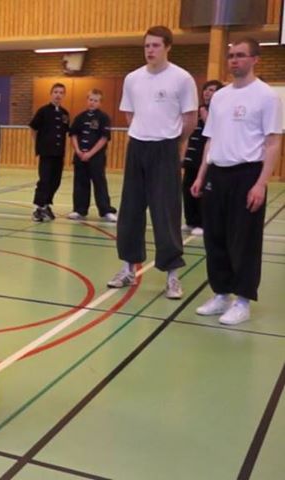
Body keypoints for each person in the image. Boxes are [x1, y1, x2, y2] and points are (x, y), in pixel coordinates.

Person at [190, 38, 282, 325]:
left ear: (255, 59)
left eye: (240, 55)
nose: (233, 60)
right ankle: (221, 294)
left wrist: (261, 183)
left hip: (247, 175)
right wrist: (201, 174)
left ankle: (242, 300)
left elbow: (273, 142)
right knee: (214, 237)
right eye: (231, 55)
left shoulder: (267, 96)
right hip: (217, 174)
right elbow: (211, 139)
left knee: (243, 240)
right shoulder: (220, 96)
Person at [107, 25, 198, 300]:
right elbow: (129, 115)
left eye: (156, 45)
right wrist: (142, 135)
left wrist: (175, 145)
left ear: (168, 47)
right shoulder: (133, 78)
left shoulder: (181, 78)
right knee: (131, 210)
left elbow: (190, 118)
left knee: (166, 212)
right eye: (147, 46)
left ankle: (172, 276)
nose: (150, 50)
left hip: (166, 149)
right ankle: (128, 268)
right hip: (138, 148)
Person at [66, 89, 118, 222]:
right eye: (90, 100)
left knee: (99, 183)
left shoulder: (103, 118)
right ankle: (79, 210)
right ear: (87, 100)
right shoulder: (80, 117)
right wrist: (78, 150)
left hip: (96, 158)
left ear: (100, 102)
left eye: (95, 101)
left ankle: (106, 210)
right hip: (80, 157)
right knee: (80, 183)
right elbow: (73, 134)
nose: (92, 103)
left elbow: (104, 138)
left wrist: (90, 153)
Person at [182, 80, 223, 236]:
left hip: (205, 160)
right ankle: (191, 221)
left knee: (201, 193)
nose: (207, 92)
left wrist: (207, 118)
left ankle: (203, 223)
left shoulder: (218, 112)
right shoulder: (197, 111)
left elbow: (216, 133)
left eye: (212, 90)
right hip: (191, 159)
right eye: (206, 89)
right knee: (187, 189)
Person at [30, 83, 69, 222]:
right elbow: (33, 128)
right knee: (45, 180)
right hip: (46, 152)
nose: (58, 95)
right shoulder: (43, 111)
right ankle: (38, 208)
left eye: (61, 92)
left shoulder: (65, 113)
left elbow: (65, 131)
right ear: (51, 94)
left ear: (64, 95)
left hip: (59, 153)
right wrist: (39, 144)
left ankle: (46, 204)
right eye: (56, 92)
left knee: (56, 181)